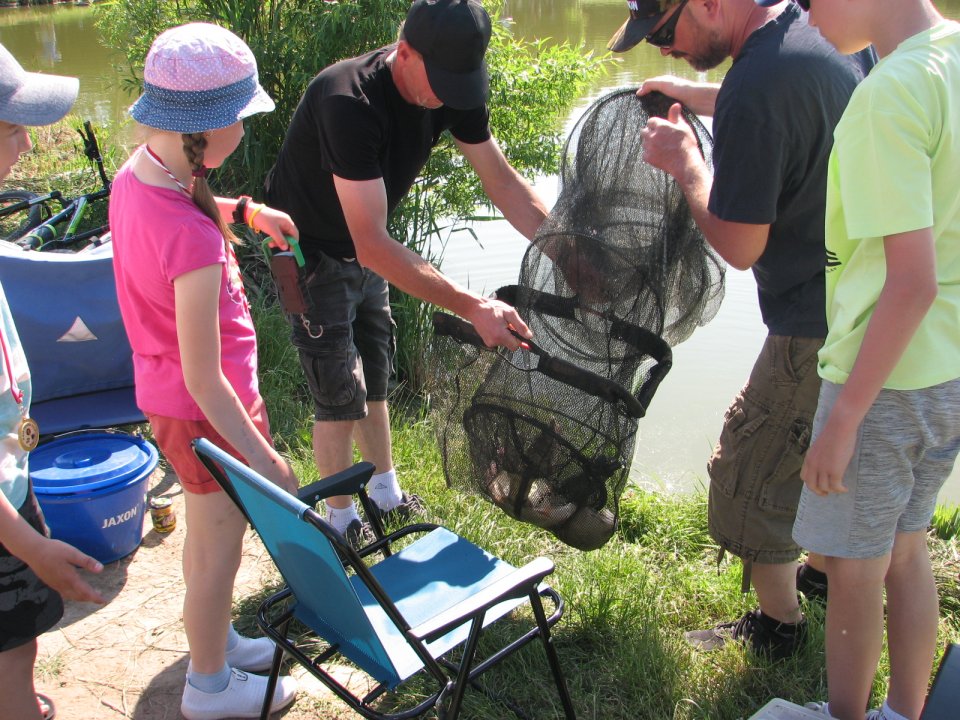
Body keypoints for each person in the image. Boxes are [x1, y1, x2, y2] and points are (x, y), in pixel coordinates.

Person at [606, 0, 873, 660]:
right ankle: (819, 572)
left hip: (815, 320)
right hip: (867, 299)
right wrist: (694, 93)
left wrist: (686, 164)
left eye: (666, 32)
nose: (662, 49)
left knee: (747, 475)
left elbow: (741, 243)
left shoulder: (761, 85)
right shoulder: (820, 25)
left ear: (709, 5)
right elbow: (782, 94)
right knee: (816, 454)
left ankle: (780, 627)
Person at [265, 0, 543, 542]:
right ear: (404, 48)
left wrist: (564, 248)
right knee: (337, 392)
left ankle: (386, 492)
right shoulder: (348, 99)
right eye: (439, 81)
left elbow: (503, 182)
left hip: (372, 251)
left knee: (376, 370)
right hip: (313, 256)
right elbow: (371, 244)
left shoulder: (452, 85)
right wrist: (472, 306)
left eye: (460, 83)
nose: (448, 96)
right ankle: (340, 522)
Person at [109, 23, 301, 720]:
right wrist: (266, 459)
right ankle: (211, 687)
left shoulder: (141, 174)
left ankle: (211, 643)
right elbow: (203, 376)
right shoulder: (189, 240)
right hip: (204, 412)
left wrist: (243, 210)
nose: (245, 132)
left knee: (203, 536)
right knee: (219, 551)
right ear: (208, 126)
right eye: (242, 119)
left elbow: (180, 206)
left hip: (170, 400)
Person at [789, 1, 960, 718]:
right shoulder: (950, 57)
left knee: (856, 574)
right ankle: (905, 712)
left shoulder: (885, 96)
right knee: (908, 548)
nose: (803, 15)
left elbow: (909, 281)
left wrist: (844, 418)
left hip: (882, 376)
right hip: (948, 364)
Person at [0, 43, 106, 720]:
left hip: (11, 472)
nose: (27, 140)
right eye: (11, 127)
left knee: (19, 638)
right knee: (12, 637)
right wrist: (33, 547)